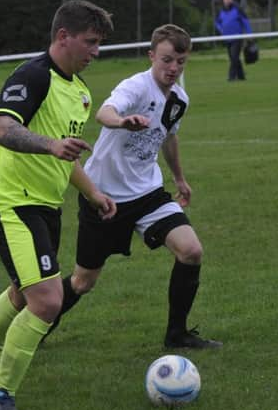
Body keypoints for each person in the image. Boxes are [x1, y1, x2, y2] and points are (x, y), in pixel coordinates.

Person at [0, 0, 115, 410]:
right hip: (13, 204)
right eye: (90, 42)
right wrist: (49, 144)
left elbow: (66, 156)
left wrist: (93, 193)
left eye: (99, 44)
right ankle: (1, 395)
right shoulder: (32, 76)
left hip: (46, 207)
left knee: (21, 291)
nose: (95, 52)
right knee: (46, 301)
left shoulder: (80, 91)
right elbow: (4, 129)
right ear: (63, 36)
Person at [46, 24, 223, 350]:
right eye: (167, 60)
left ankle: (177, 334)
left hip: (149, 193)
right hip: (104, 197)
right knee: (83, 281)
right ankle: (37, 326)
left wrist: (179, 178)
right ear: (152, 55)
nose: (173, 69)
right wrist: (122, 121)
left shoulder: (179, 99)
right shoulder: (136, 87)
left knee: (191, 251)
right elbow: (104, 112)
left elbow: (168, 137)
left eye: (181, 62)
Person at [215, 0, 253, 81]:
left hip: (237, 38)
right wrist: (221, 29)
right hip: (227, 38)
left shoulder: (238, 9)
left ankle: (231, 77)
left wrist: (249, 34)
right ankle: (241, 76)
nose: (226, 0)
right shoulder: (221, 11)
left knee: (234, 57)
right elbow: (217, 22)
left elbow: (245, 22)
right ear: (223, 0)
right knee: (233, 58)